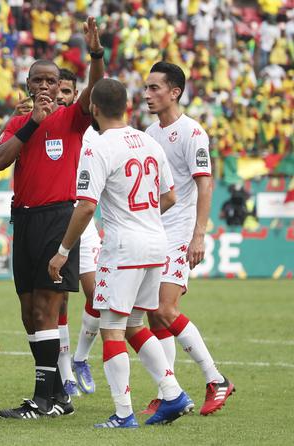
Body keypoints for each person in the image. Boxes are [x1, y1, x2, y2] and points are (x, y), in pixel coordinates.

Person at [48, 78, 194, 428]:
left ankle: (123, 413)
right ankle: (173, 393)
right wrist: (142, 216)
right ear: (127, 107)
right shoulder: (148, 140)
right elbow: (171, 196)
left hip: (123, 247)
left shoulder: (97, 146)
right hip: (156, 243)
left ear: (94, 109)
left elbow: (85, 207)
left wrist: (63, 251)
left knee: (111, 329)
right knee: (133, 324)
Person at [0, 17, 103, 419]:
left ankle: (41, 400)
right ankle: (59, 398)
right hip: (23, 221)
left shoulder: (73, 118)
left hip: (58, 217)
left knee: (47, 309)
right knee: (28, 312)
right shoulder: (19, 123)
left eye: (50, 81)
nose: (43, 87)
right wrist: (32, 125)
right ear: (28, 86)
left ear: (59, 88)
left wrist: (95, 54)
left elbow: (96, 89)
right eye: (37, 81)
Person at [143, 61, 234, 416]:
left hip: (179, 232)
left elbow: (204, 183)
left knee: (165, 309)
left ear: (175, 92)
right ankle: (173, 393)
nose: (148, 94)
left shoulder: (192, 133)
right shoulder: (150, 134)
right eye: (147, 88)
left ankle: (216, 379)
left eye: (155, 88)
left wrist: (199, 235)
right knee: (153, 315)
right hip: (154, 230)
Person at [53, 68, 101, 397]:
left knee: (98, 295)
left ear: (75, 96)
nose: (60, 97)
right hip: (52, 221)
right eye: (56, 92)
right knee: (58, 301)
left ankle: (81, 358)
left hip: (84, 222)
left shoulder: (91, 133)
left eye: (66, 92)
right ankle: (65, 370)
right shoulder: (37, 126)